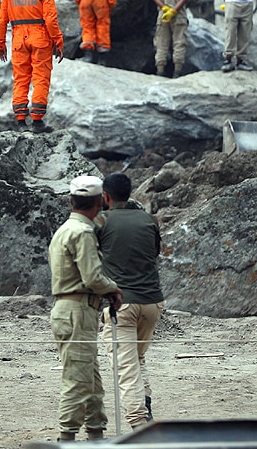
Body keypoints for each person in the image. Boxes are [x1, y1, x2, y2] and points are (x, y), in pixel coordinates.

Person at [49, 175, 123, 442]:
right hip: (78, 310)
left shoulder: (64, 230)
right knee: (79, 381)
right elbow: (92, 277)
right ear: (100, 203)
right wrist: (113, 289)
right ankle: (66, 438)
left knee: (90, 377)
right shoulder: (82, 232)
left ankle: (95, 433)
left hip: (70, 309)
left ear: (71, 201)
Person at [97, 173, 164, 430]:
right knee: (137, 358)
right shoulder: (148, 220)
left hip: (121, 305)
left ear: (106, 196)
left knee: (125, 368)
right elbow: (154, 253)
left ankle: (140, 426)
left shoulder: (101, 222)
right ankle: (145, 408)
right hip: (152, 302)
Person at [0, 0, 65, 133]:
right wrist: (58, 42)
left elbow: (2, 20)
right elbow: (50, 21)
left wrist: (1, 43)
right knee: (40, 78)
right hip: (40, 39)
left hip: (19, 40)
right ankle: (37, 121)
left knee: (21, 79)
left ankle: (20, 122)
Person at [151, 0, 194, 78]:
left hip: (163, 15)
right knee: (179, 43)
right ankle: (177, 71)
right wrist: (174, 10)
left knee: (161, 42)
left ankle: (160, 70)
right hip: (178, 16)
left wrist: (165, 8)